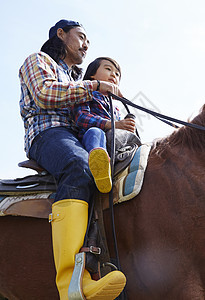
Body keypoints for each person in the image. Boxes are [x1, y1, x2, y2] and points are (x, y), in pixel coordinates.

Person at [19, 19, 126, 300]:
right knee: (79, 166)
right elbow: (44, 93)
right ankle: (71, 284)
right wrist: (94, 86)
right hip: (48, 134)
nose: (86, 44)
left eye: (88, 40)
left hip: (75, 137)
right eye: (81, 37)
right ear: (61, 34)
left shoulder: (75, 79)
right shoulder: (38, 59)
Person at [71, 57, 138, 193]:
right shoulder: (86, 94)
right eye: (108, 69)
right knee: (95, 132)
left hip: (114, 143)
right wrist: (113, 124)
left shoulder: (116, 109)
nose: (114, 74)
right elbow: (81, 117)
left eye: (117, 74)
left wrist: (127, 127)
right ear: (92, 75)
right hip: (90, 138)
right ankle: (99, 162)